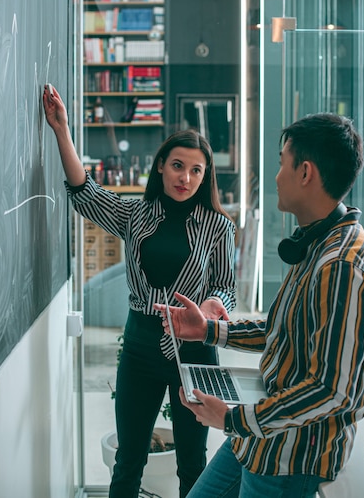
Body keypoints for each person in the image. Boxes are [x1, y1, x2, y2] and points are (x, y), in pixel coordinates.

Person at [154, 113, 364, 498]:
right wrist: (209, 330)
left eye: (282, 162)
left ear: (305, 172)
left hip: (289, 459)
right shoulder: (317, 244)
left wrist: (233, 417)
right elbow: (285, 330)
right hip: (259, 436)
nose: (276, 176)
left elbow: (331, 392)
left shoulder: (342, 267)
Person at [42, 84, 237, 498]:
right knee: (129, 458)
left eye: (196, 170)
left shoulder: (219, 226)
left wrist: (212, 306)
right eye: (178, 166)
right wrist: (62, 132)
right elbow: (86, 195)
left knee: (193, 462)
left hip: (196, 351)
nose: (186, 177)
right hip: (141, 346)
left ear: (206, 176)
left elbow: (225, 287)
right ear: (161, 167)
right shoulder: (135, 213)